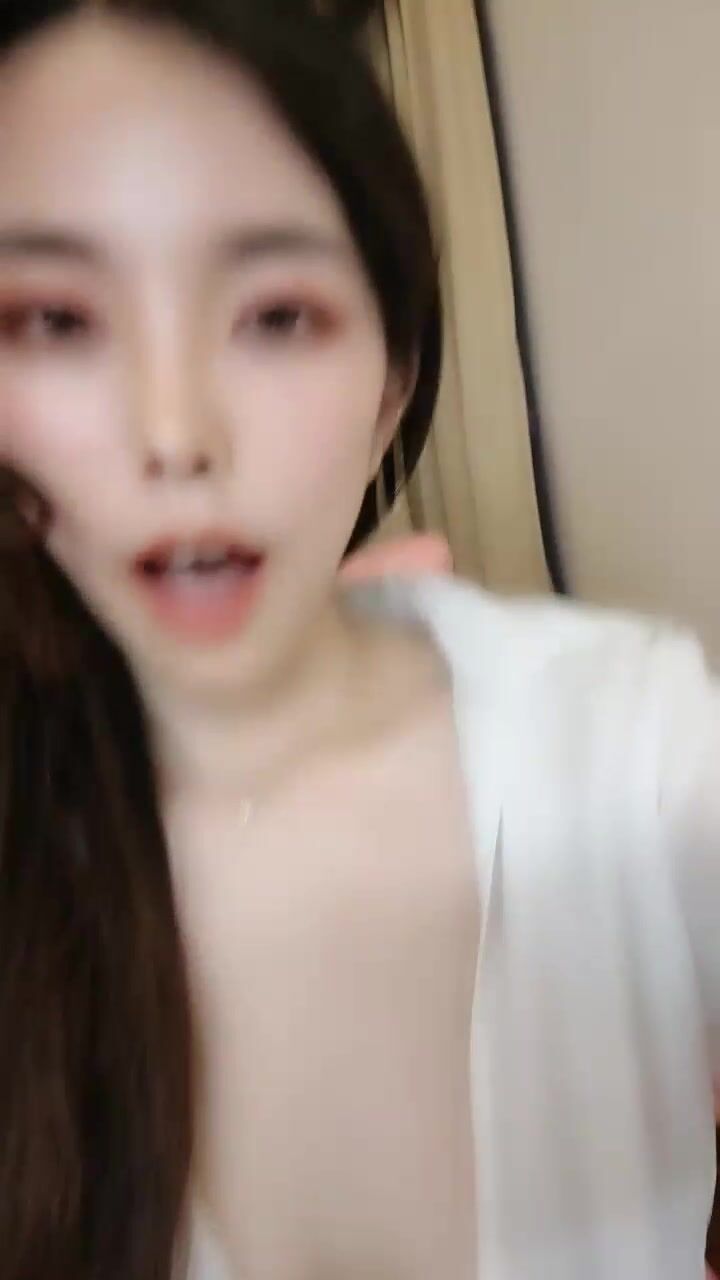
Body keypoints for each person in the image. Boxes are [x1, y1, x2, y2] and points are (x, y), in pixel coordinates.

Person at [0, 3, 717, 1279]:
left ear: (394, 377)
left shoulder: (626, 743)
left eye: (276, 313)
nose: (177, 434)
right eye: (57, 320)